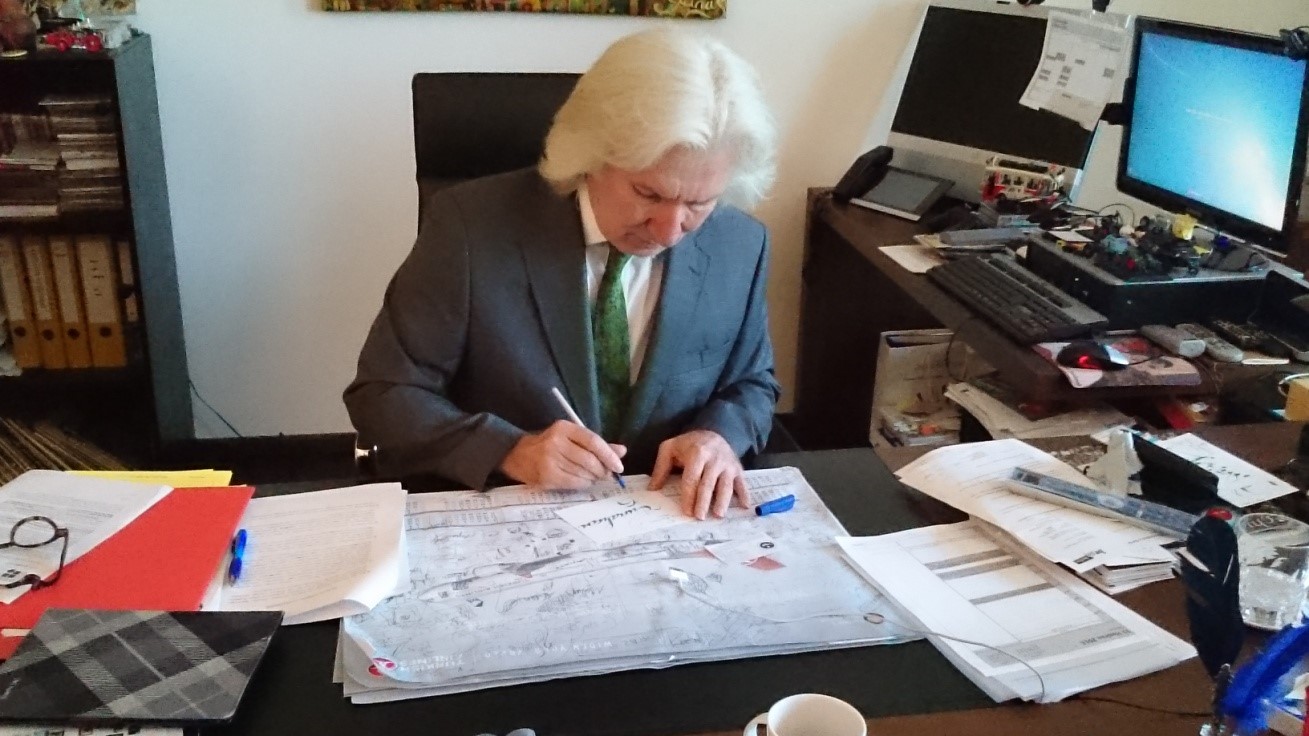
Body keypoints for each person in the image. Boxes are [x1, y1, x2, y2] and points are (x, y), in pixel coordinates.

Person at [344, 28, 779, 520]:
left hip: (665, 521)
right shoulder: (470, 230)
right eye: (649, 194)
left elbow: (752, 384)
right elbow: (383, 396)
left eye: (699, 202)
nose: (670, 230)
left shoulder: (739, 245)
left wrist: (719, 436)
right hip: (516, 517)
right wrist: (510, 450)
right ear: (590, 155)